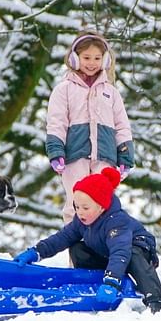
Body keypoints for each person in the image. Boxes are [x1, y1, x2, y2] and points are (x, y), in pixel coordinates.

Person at [13, 167, 161, 313]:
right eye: (77, 206)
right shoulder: (81, 221)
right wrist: (36, 252)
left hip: (136, 248)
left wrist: (112, 281)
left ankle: (155, 298)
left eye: (85, 208)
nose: (79, 212)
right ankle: (93, 280)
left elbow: (120, 252)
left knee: (132, 254)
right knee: (77, 249)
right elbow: (62, 238)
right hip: (108, 253)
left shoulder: (116, 221)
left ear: (101, 207)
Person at [45, 30, 135, 224]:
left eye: (97, 58)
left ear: (105, 60)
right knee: (76, 204)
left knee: (103, 205)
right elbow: (56, 122)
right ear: (75, 58)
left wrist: (125, 155)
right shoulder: (64, 90)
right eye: (86, 57)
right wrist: (55, 150)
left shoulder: (111, 92)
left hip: (105, 158)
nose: (92, 63)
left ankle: (102, 251)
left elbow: (121, 126)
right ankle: (77, 253)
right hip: (75, 157)